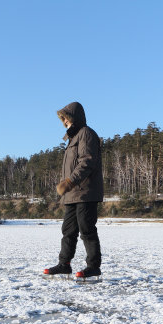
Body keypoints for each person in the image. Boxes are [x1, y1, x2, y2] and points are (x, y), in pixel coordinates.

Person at [44, 101, 103, 279]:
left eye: (66, 118)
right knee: (68, 230)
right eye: (62, 119)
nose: (64, 122)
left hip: (86, 192)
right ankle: (64, 264)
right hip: (72, 194)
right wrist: (68, 186)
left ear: (75, 117)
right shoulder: (72, 138)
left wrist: (70, 181)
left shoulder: (86, 134)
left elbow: (87, 161)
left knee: (87, 229)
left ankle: (93, 267)